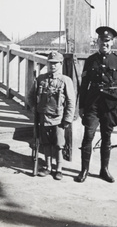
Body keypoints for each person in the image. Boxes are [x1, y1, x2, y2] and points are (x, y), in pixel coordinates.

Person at [75, 26, 117, 183]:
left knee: (107, 137)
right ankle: (84, 170)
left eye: (107, 41)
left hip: (109, 106)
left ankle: (104, 170)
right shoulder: (90, 60)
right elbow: (83, 85)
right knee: (88, 136)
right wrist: (81, 106)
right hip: (92, 104)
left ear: (112, 42)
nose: (104, 44)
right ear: (97, 42)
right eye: (101, 41)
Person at [28, 51, 75, 180]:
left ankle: (59, 168)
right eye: (50, 63)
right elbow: (30, 96)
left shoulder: (65, 80)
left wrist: (67, 119)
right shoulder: (40, 79)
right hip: (43, 117)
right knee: (45, 143)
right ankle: (48, 167)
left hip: (58, 119)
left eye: (55, 63)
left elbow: (71, 102)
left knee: (59, 145)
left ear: (61, 64)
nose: (52, 66)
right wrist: (34, 109)